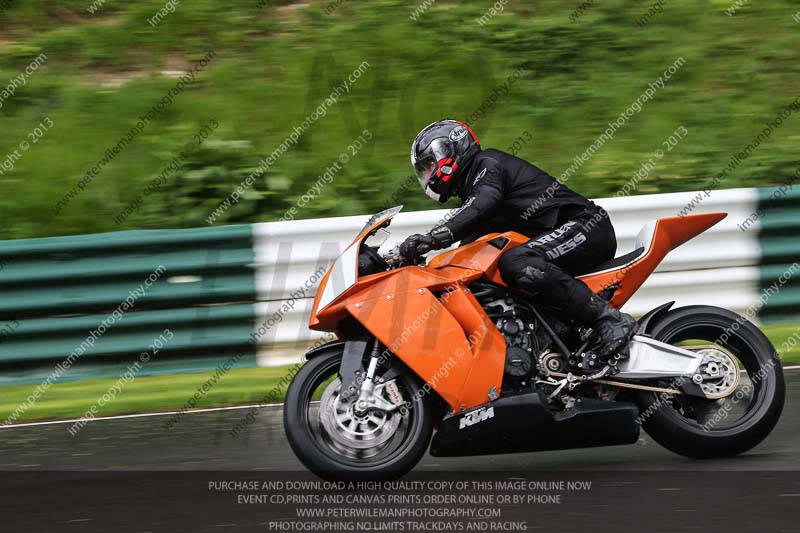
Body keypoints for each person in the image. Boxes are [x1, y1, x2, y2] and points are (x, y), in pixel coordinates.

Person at [399, 119, 637, 363]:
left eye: (429, 165)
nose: (428, 175)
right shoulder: (473, 194)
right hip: (559, 238)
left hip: (585, 225)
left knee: (517, 262)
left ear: (448, 153)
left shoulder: (487, 165)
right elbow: (466, 250)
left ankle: (609, 320)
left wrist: (434, 237)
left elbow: (482, 203)